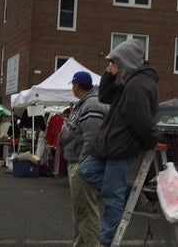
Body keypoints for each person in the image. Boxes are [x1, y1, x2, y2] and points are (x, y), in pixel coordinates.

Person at [78, 38, 160, 247]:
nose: (111, 65)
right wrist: (108, 74)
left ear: (126, 60)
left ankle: (105, 243)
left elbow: (141, 119)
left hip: (120, 146)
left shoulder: (138, 84)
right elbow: (105, 96)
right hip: (111, 144)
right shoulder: (132, 81)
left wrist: (152, 140)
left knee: (112, 198)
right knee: (86, 171)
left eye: (114, 62)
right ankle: (128, 194)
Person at [59, 71, 109, 246]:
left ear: (76, 85)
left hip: (83, 165)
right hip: (80, 162)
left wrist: (83, 164)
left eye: (72, 85)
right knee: (81, 212)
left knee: (86, 213)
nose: (72, 88)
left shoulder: (91, 104)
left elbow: (92, 138)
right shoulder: (85, 104)